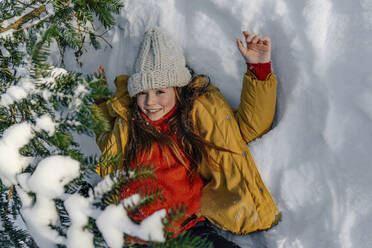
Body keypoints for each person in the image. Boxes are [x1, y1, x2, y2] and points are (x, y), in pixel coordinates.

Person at [93, 28, 280, 247]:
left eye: (160, 92)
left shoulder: (194, 120)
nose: (150, 102)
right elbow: (106, 140)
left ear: (177, 90)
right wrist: (100, 102)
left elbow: (251, 128)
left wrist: (258, 70)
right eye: (143, 93)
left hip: (186, 229)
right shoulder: (131, 124)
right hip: (133, 233)